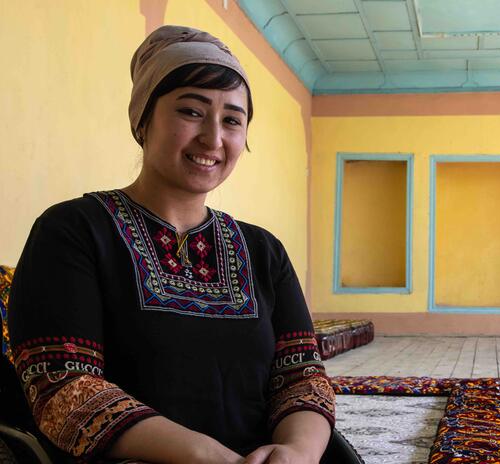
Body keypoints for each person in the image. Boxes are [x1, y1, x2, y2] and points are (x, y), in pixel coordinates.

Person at [8, 25, 335, 463]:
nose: (213, 138)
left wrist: (298, 452)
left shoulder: (263, 250)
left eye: (233, 120)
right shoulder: (73, 231)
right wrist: (211, 457)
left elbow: (301, 377)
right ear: (143, 120)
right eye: (191, 112)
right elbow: (64, 390)